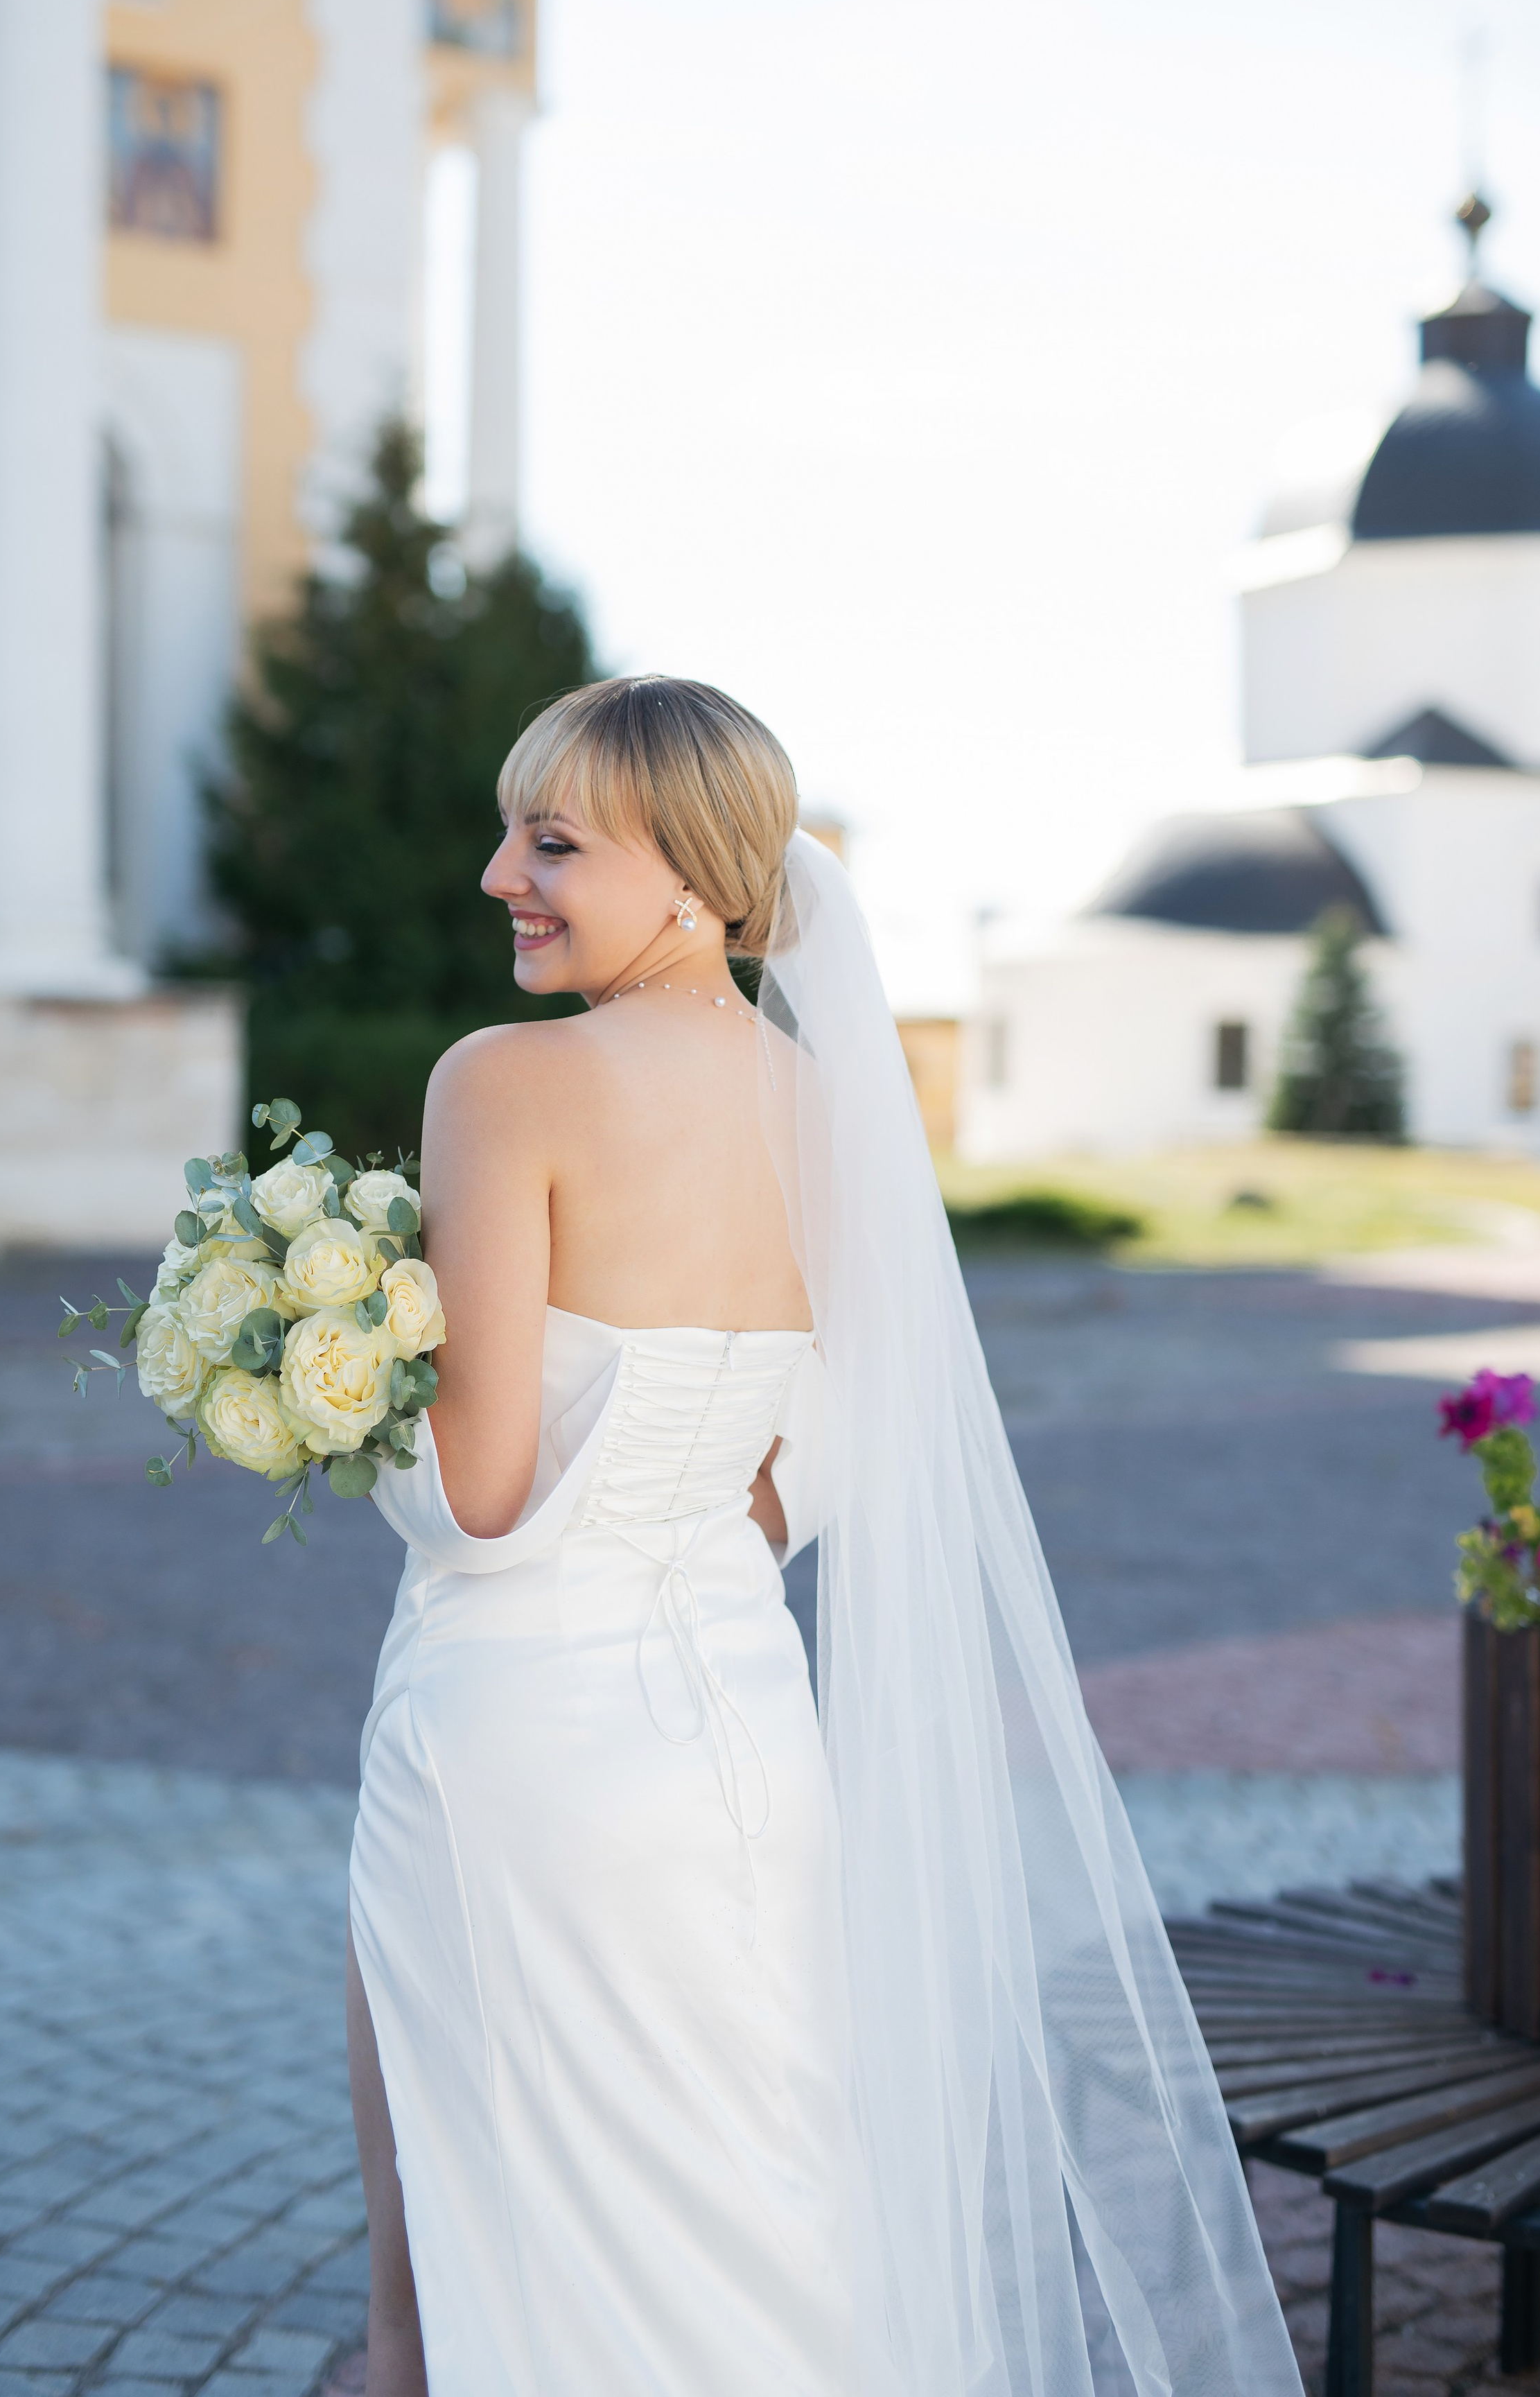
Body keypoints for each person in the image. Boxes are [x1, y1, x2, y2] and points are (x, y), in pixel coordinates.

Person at [347, 677, 1300, 2397]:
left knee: (484, 2222)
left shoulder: (502, 1084)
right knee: (766, 2204)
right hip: (743, 1741)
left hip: (518, 1744)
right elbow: (845, 1439)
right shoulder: (831, 1105)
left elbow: (475, 1495)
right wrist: (689, 1520)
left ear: (700, 882)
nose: (501, 873)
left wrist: (322, 1397)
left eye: (552, 841)